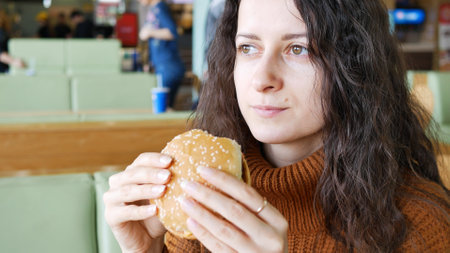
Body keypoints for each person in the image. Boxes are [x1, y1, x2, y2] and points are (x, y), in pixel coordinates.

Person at [104, 0, 450, 252]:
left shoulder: (421, 227)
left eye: (298, 49)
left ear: (353, 66)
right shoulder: (198, 210)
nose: (262, 79)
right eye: (248, 48)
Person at [138, 0, 185, 110]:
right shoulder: (154, 9)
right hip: (162, 66)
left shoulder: (160, 8)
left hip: (168, 67)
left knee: (164, 109)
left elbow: (172, 32)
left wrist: (149, 32)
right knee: (163, 107)